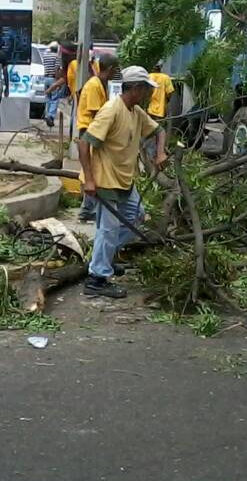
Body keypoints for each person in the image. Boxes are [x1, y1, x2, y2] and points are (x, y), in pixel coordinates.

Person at [79, 66, 167, 299]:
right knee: (108, 230)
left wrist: (160, 154)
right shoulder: (111, 110)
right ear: (136, 88)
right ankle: (97, 279)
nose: (148, 93)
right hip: (105, 180)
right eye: (146, 89)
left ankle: (102, 258)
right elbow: (84, 143)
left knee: (136, 218)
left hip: (125, 180)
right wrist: (89, 180)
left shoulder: (136, 111)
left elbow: (160, 131)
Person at [75, 54, 120, 221]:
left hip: (95, 130)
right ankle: (87, 209)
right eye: (115, 70)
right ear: (109, 69)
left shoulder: (102, 84)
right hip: (90, 131)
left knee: (95, 169)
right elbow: (96, 113)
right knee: (92, 170)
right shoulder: (94, 85)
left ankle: (88, 208)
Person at [42, 41, 61, 128]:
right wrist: (57, 80)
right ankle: (51, 116)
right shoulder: (56, 57)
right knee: (55, 98)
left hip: (45, 78)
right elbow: (57, 69)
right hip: (53, 78)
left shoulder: (45, 56)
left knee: (48, 98)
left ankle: (47, 115)